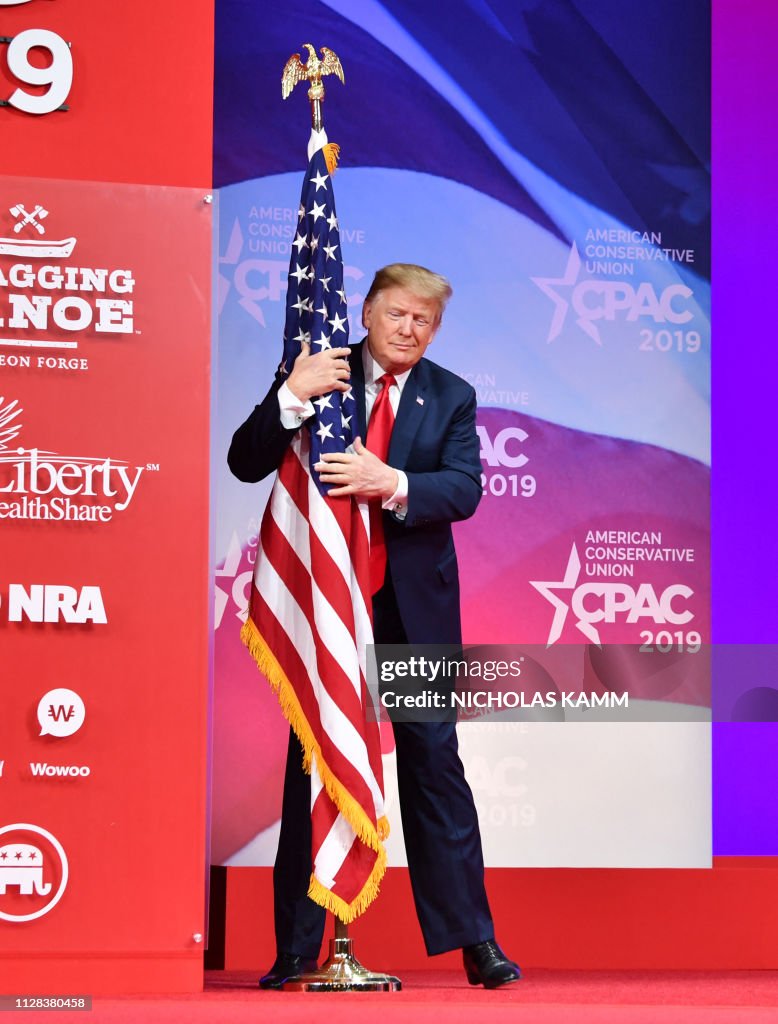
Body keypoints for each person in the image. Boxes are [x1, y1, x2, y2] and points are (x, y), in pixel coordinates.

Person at [228, 263, 521, 989]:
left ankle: (475, 941)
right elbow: (244, 460)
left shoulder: (451, 395)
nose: (408, 329)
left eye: (424, 320)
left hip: (410, 612)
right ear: (365, 313)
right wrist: (291, 397)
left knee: (434, 764)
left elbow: (463, 489)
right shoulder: (316, 371)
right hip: (329, 603)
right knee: (315, 762)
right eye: (397, 314)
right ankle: (297, 950)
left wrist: (391, 483)